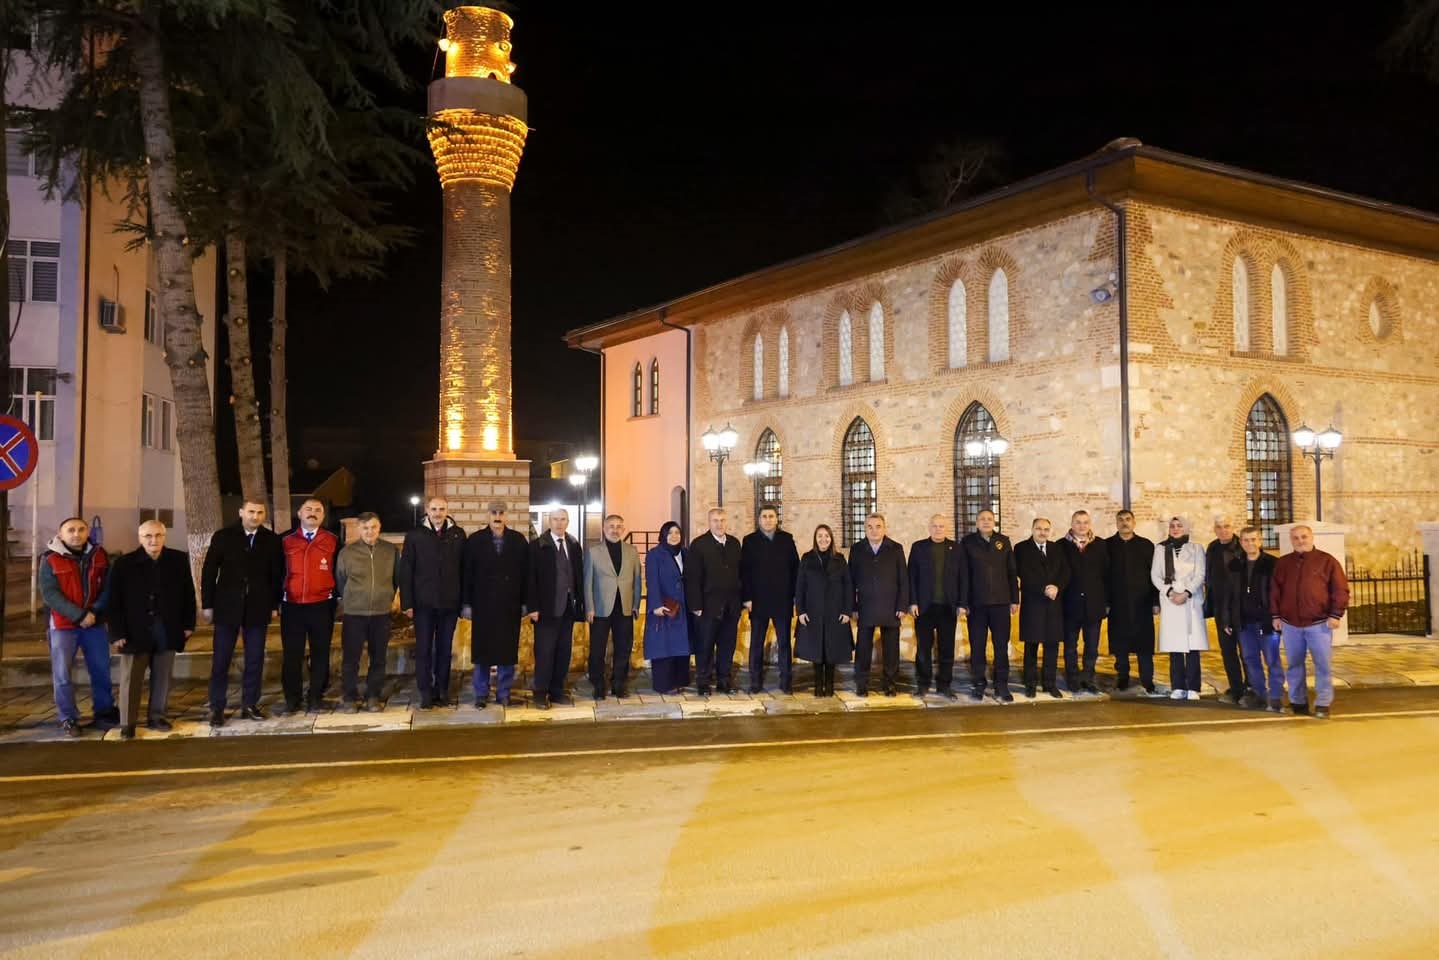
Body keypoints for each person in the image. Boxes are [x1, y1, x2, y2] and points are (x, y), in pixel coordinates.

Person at [106, 521, 195, 739]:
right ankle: (127, 723)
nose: (153, 540)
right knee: (130, 679)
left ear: (164, 537)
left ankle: (157, 716)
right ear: (139, 538)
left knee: (163, 676)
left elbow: (188, 595)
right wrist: (117, 633)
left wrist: (188, 625)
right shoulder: (124, 564)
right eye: (147, 536)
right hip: (134, 630)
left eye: (157, 535)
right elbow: (113, 601)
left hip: (167, 628)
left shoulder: (178, 560)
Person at [201, 500, 284, 727]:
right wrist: (207, 604)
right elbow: (209, 572)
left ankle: (249, 704)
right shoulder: (224, 536)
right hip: (227, 607)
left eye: (259, 512)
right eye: (251, 512)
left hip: (258, 608)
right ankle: (217, 707)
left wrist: (275, 605)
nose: (255, 516)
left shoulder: (271, 540)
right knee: (221, 660)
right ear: (241, 512)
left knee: (255, 659)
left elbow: (276, 575)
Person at [39, 517, 118, 736]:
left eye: (81, 529)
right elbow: (49, 594)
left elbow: (108, 588)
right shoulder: (50, 559)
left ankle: (103, 712)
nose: (76, 534)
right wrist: (79, 614)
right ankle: (68, 718)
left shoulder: (100, 555)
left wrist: (93, 611)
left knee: (101, 670)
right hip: (63, 626)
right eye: (71, 530)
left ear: (88, 532)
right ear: (60, 533)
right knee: (63, 674)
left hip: (94, 624)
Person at [1271, 524, 1349, 719]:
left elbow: (1340, 589)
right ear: (1291, 540)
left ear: (1311, 537)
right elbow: (1275, 591)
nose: (1300, 541)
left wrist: (1335, 614)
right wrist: (1276, 616)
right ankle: (1298, 702)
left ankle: (1323, 703)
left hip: (1319, 624)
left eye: (1304, 537)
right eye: (1296, 538)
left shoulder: (1327, 561)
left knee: (1322, 665)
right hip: (1290, 625)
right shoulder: (1283, 563)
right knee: (1294, 664)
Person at [398, 496, 466, 709]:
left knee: (445, 650)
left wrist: (463, 601)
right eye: (434, 509)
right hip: (423, 604)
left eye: (442, 509)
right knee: (424, 649)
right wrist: (407, 602)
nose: (437, 513)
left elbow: (464, 570)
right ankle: (425, 692)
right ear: (427, 510)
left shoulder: (458, 534)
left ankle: (442, 690)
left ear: (447, 510)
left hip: (449, 604)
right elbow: (406, 570)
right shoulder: (415, 535)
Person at [461, 501, 529, 708]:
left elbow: (526, 575)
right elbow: (466, 574)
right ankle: (481, 693)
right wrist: (466, 603)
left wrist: (525, 602)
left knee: (506, 652)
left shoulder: (518, 540)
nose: (497, 516)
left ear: (506, 515)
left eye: (501, 513)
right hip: (483, 605)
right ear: (487, 515)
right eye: (494, 513)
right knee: (482, 651)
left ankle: (503, 692)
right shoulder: (474, 541)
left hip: (510, 604)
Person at [279, 498, 340, 713]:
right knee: (292, 655)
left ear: (323, 516)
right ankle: (292, 699)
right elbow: (275, 572)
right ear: (299, 513)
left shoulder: (333, 539)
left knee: (320, 653)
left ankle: (316, 696)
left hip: (322, 606)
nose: (312, 513)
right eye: (308, 509)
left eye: (317, 510)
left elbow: (339, 572)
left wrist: (337, 598)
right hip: (293, 606)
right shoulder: (285, 540)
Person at [335, 512, 399, 713]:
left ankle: (373, 696)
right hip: (355, 612)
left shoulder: (390, 550)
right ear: (358, 529)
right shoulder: (347, 552)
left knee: (378, 657)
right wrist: (351, 599)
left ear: (379, 528)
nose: (370, 531)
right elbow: (341, 580)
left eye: (373, 527)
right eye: (365, 528)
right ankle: (349, 697)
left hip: (381, 612)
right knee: (351, 659)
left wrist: (388, 597)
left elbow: (396, 578)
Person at [958, 509, 1018, 703]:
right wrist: (963, 602)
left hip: (1001, 604)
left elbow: (1011, 572)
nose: (986, 522)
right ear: (976, 523)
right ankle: (979, 684)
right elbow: (963, 575)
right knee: (977, 647)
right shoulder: (967, 543)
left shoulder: (1004, 541)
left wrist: (1014, 599)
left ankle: (1001, 685)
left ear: (994, 522)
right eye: (982, 519)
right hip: (976, 605)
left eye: (989, 519)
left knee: (1001, 647)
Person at [1219, 525, 1282, 711]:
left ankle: (1276, 696)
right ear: (1241, 542)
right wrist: (1227, 619)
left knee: (1272, 660)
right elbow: (1228, 595)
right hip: (1244, 623)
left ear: (1260, 541)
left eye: (1253, 539)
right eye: (1246, 540)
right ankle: (1259, 695)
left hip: (1266, 621)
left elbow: (1279, 593)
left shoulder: (1272, 564)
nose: (1250, 543)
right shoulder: (1235, 564)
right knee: (1250, 659)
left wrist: (1277, 616)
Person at [527, 508, 584, 709]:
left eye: (563, 519)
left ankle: (557, 690)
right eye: (555, 519)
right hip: (546, 609)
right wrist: (532, 607)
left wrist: (581, 605)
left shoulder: (574, 545)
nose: (559, 523)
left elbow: (579, 575)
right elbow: (530, 579)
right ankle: (540, 693)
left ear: (568, 522)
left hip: (568, 608)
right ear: (548, 521)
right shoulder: (537, 546)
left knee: (563, 652)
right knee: (544, 652)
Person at [740, 504, 800, 694]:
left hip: (782, 600)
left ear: (776, 519)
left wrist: (795, 596)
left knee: (784, 643)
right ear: (759, 520)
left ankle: (786, 681)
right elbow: (744, 572)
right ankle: (755, 681)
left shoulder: (786, 539)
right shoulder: (749, 541)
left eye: (771, 516)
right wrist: (747, 597)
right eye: (764, 516)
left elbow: (795, 569)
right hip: (758, 600)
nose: (768, 519)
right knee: (757, 642)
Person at [584, 514, 643, 699]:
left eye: (619, 526)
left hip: (624, 608)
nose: (615, 530)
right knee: (597, 649)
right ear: (604, 528)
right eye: (611, 526)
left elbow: (637, 580)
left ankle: (619, 683)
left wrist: (635, 604)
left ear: (623, 529)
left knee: (623, 648)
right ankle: (598, 684)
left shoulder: (632, 551)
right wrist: (589, 608)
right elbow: (587, 582)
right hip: (600, 608)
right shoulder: (593, 551)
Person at [849, 514, 908, 697]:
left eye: (878, 526)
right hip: (866, 607)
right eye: (870, 527)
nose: (874, 530)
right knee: (863, 649)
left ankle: (890, 684)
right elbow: (850, 581)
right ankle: (862, 683)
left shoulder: (896, 548)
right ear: (865, 529)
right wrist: (853, 606)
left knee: (891, 649)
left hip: (891, 607)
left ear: (885, 528)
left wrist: (902, 605)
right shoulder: (857, 549)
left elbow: (903, 580)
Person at [686, 508, 744, 695]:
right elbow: (692, 577)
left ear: (726, 522)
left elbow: (741, 574)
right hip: (707, 606)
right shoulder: (699, 545)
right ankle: (703, 682)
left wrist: (741, 601)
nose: (719, 524)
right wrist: (695, 605)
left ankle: (724, 681)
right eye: (715, 520)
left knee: (727, 646)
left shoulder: (735, 544)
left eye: (722, 520)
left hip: (731, 606)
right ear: (709, 522)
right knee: (705, 646)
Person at [907, 514, 965, 699]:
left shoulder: (956, 548)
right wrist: (913, 602)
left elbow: (963, 578)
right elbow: (911, 577)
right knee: (924, 648)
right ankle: (923, 684)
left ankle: (944, 686)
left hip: (948, 607)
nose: (938, 529)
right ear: (929, 527)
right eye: (934, 525)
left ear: (946, 528)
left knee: (947, 649)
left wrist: (962, 603)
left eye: (941, 526)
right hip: (924, 608)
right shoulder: (918, 547)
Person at [1151, 516, 1208, 701]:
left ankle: (1193, 686)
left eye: (1179, 526)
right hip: (1170, 601)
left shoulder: (1196, 548)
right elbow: (1155, 575)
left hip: (1190, 601)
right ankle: (1177, 686)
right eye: (1172, 526)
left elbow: (1200, 574)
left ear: (1186, 528)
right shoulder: (1161, 548)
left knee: (1192, 646)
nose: (1175, 529)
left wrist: (1186, 593)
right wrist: (1169, 592)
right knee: (1174, 645)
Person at [794, 524, 853, 697]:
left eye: (826, 536)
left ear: (831, 538)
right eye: (820, 536)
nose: (823, 539)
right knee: (816, 651)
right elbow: (800, 586)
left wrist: (847, 611)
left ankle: (830, 686)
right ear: (815, 539)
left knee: (831, 651)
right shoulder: (807, 558)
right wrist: (801, 611)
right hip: (813, 612)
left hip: (835, 612)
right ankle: (818, 685)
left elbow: (848, 586)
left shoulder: (840, 559)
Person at [1014, 518, 1070, 698]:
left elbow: (1065, 571)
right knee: (1031, 647)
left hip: (1054, 604)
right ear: (1032, 529)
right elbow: (1023, 573)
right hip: (1033, 603)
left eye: (1046, 529)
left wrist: (1057, 587)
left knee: (1052, 646)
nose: (1042, 532)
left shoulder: (1056, 548)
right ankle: (1030, 684)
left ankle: (1049, 684)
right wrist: (1043, 589)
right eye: (1039, 529)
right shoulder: (1021, 548)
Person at [1106, 509, 1159, 694]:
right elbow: (1103, 577)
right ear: (1116, 523)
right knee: (1120, 645)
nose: (1124, 523)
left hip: (1142, 603)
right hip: (1117, 603)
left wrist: (1155, 601)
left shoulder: (1146, 545)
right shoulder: (1108, 545)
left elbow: (1154, 575)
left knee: (1144, 644)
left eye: (1128, 519)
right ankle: (1122, 677)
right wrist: (1105, 602)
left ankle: (1147, 679)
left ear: (1134, 523)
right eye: (1120, 520)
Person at [1057, 510, 1108, 695]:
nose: (1082, 526)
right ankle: (1072, 679)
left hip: (1094, 605)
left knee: (1092, 646)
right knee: (1070, 646)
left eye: (1085, 522)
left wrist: (1106, 602)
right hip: (1070, 605)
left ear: (1089, 524)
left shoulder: (1101, 545)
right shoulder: (1060, 546)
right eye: (1078, 522)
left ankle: (1088, 678)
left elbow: (1106, 575)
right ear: (1072, 524)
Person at [644, 521, 692, 694]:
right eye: (670, 533)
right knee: (664, 646)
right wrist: (656, 605)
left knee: (681, 645)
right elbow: (652, 581)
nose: (674, 536)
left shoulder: (685, 553)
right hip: (664, 607)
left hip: (683, 607)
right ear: (663, 535)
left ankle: (680, 681)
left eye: (677, 532)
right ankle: (664, 684)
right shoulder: (655, 554)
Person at [1206, 515, 1248, 703]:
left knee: (1245, 650)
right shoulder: (1213, 548)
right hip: (1220, 606)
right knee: (1227, 650)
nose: (1223, 530)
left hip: (1240, 608)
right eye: (1219, 527)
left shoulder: (1242, 548)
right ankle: (1236, 688)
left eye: (1227, 526)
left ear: (1233, 527)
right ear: (1215, 529)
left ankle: (1251, 686)